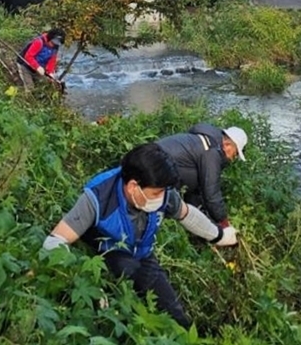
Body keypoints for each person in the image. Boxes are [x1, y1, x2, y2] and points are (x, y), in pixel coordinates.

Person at [42, 143, 238, 327]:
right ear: (133, 187)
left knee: (176, 315)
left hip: (142, 253)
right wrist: (86, 282)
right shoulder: (98, 197)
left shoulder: (163, 193)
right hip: (107, 252)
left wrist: (219, 235)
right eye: (156, 193)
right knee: (125, 281)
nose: (161, 198)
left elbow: (186, 214)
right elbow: (55, 240)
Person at [157, 123, 248, 227]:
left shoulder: (206, 142)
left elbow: (200, 185)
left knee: (196, 194)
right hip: (158, 168)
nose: (233, 159)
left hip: (156, 159)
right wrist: (223, 222)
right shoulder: (212, 153)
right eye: (235, 153)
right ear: (227, 145)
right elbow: (211, 193)